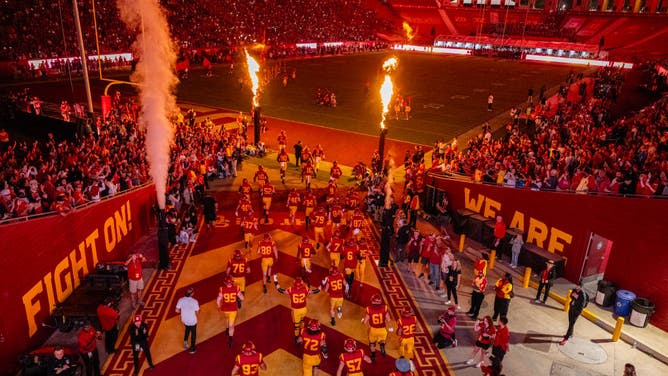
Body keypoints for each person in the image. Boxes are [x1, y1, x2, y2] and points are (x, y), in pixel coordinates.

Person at [274, 276, 320, 344]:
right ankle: (302, 333)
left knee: (296, 325)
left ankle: (296, 338)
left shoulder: (291, 289)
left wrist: (275, 281)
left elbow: (280, 290)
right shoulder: (305, 288)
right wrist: (320, 286)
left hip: (296, 310)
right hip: (304, 309)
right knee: (302, 320)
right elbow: (315, 291)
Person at [363, 293, 393, 361]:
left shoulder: (368, 309)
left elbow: (365, 321)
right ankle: (382, 345)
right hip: (382, 329)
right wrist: (390, 326)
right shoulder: (384, 308)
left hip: (373, 330)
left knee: (372, 344)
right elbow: (388, 319)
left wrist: (362, 321)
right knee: (382, 340)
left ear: (373, 301)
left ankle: (373, 355)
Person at [217, 277, 245, 347]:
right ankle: (230, 338)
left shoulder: (222, 289)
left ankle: (227, 329)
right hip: (233, 309)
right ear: (231, 283)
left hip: (225, 309)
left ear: (226, 283)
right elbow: (242, 298)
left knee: (226, 319)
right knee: (231, 325)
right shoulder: (236, 288)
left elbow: (218, 300)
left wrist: (219, 306)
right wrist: (239, 297)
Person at [560, 281, 588, 345]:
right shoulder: (574, 290)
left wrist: (576, 297)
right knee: (570, 322)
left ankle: (566, 338)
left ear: (581, 287)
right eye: (576, 285)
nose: (576, 286)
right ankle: (571, 334)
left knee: (571, 324)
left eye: (578, 286)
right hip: (571, 308)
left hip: (576, 311)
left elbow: (582, 305)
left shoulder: (582, 295)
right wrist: (574, 296)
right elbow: (571, 295)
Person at [175, 287, 199, 354]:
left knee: (187, 329)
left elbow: (176, 310)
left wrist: (183, 312)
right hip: (192, 320)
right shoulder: (194, 301)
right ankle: (192, 348)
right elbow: (197, 312)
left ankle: (185, 342)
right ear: (191, 294)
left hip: (184, 319)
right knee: (193, 333)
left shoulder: (180, 300)